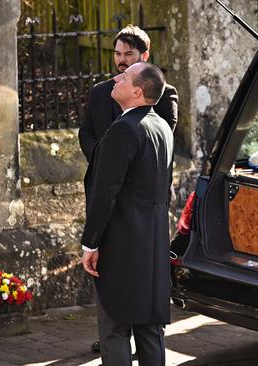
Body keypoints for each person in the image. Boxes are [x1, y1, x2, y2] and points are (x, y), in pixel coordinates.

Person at [80, 61, 173, 365]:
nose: (116, 78)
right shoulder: (162, 127)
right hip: (154, 244)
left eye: (124, 77)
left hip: (122, 245)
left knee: (114, 329)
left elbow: (105, 193)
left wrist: (91, 242)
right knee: (150, 330)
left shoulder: (123, 129)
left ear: (136, 90)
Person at [79, 24, 178, 162]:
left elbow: (161, 138)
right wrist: (101, 162)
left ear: (144, 56)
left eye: (128, 54)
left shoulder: (165, 94)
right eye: (117, 53)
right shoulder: (99, 91)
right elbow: (86, 132)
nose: (121, 60)